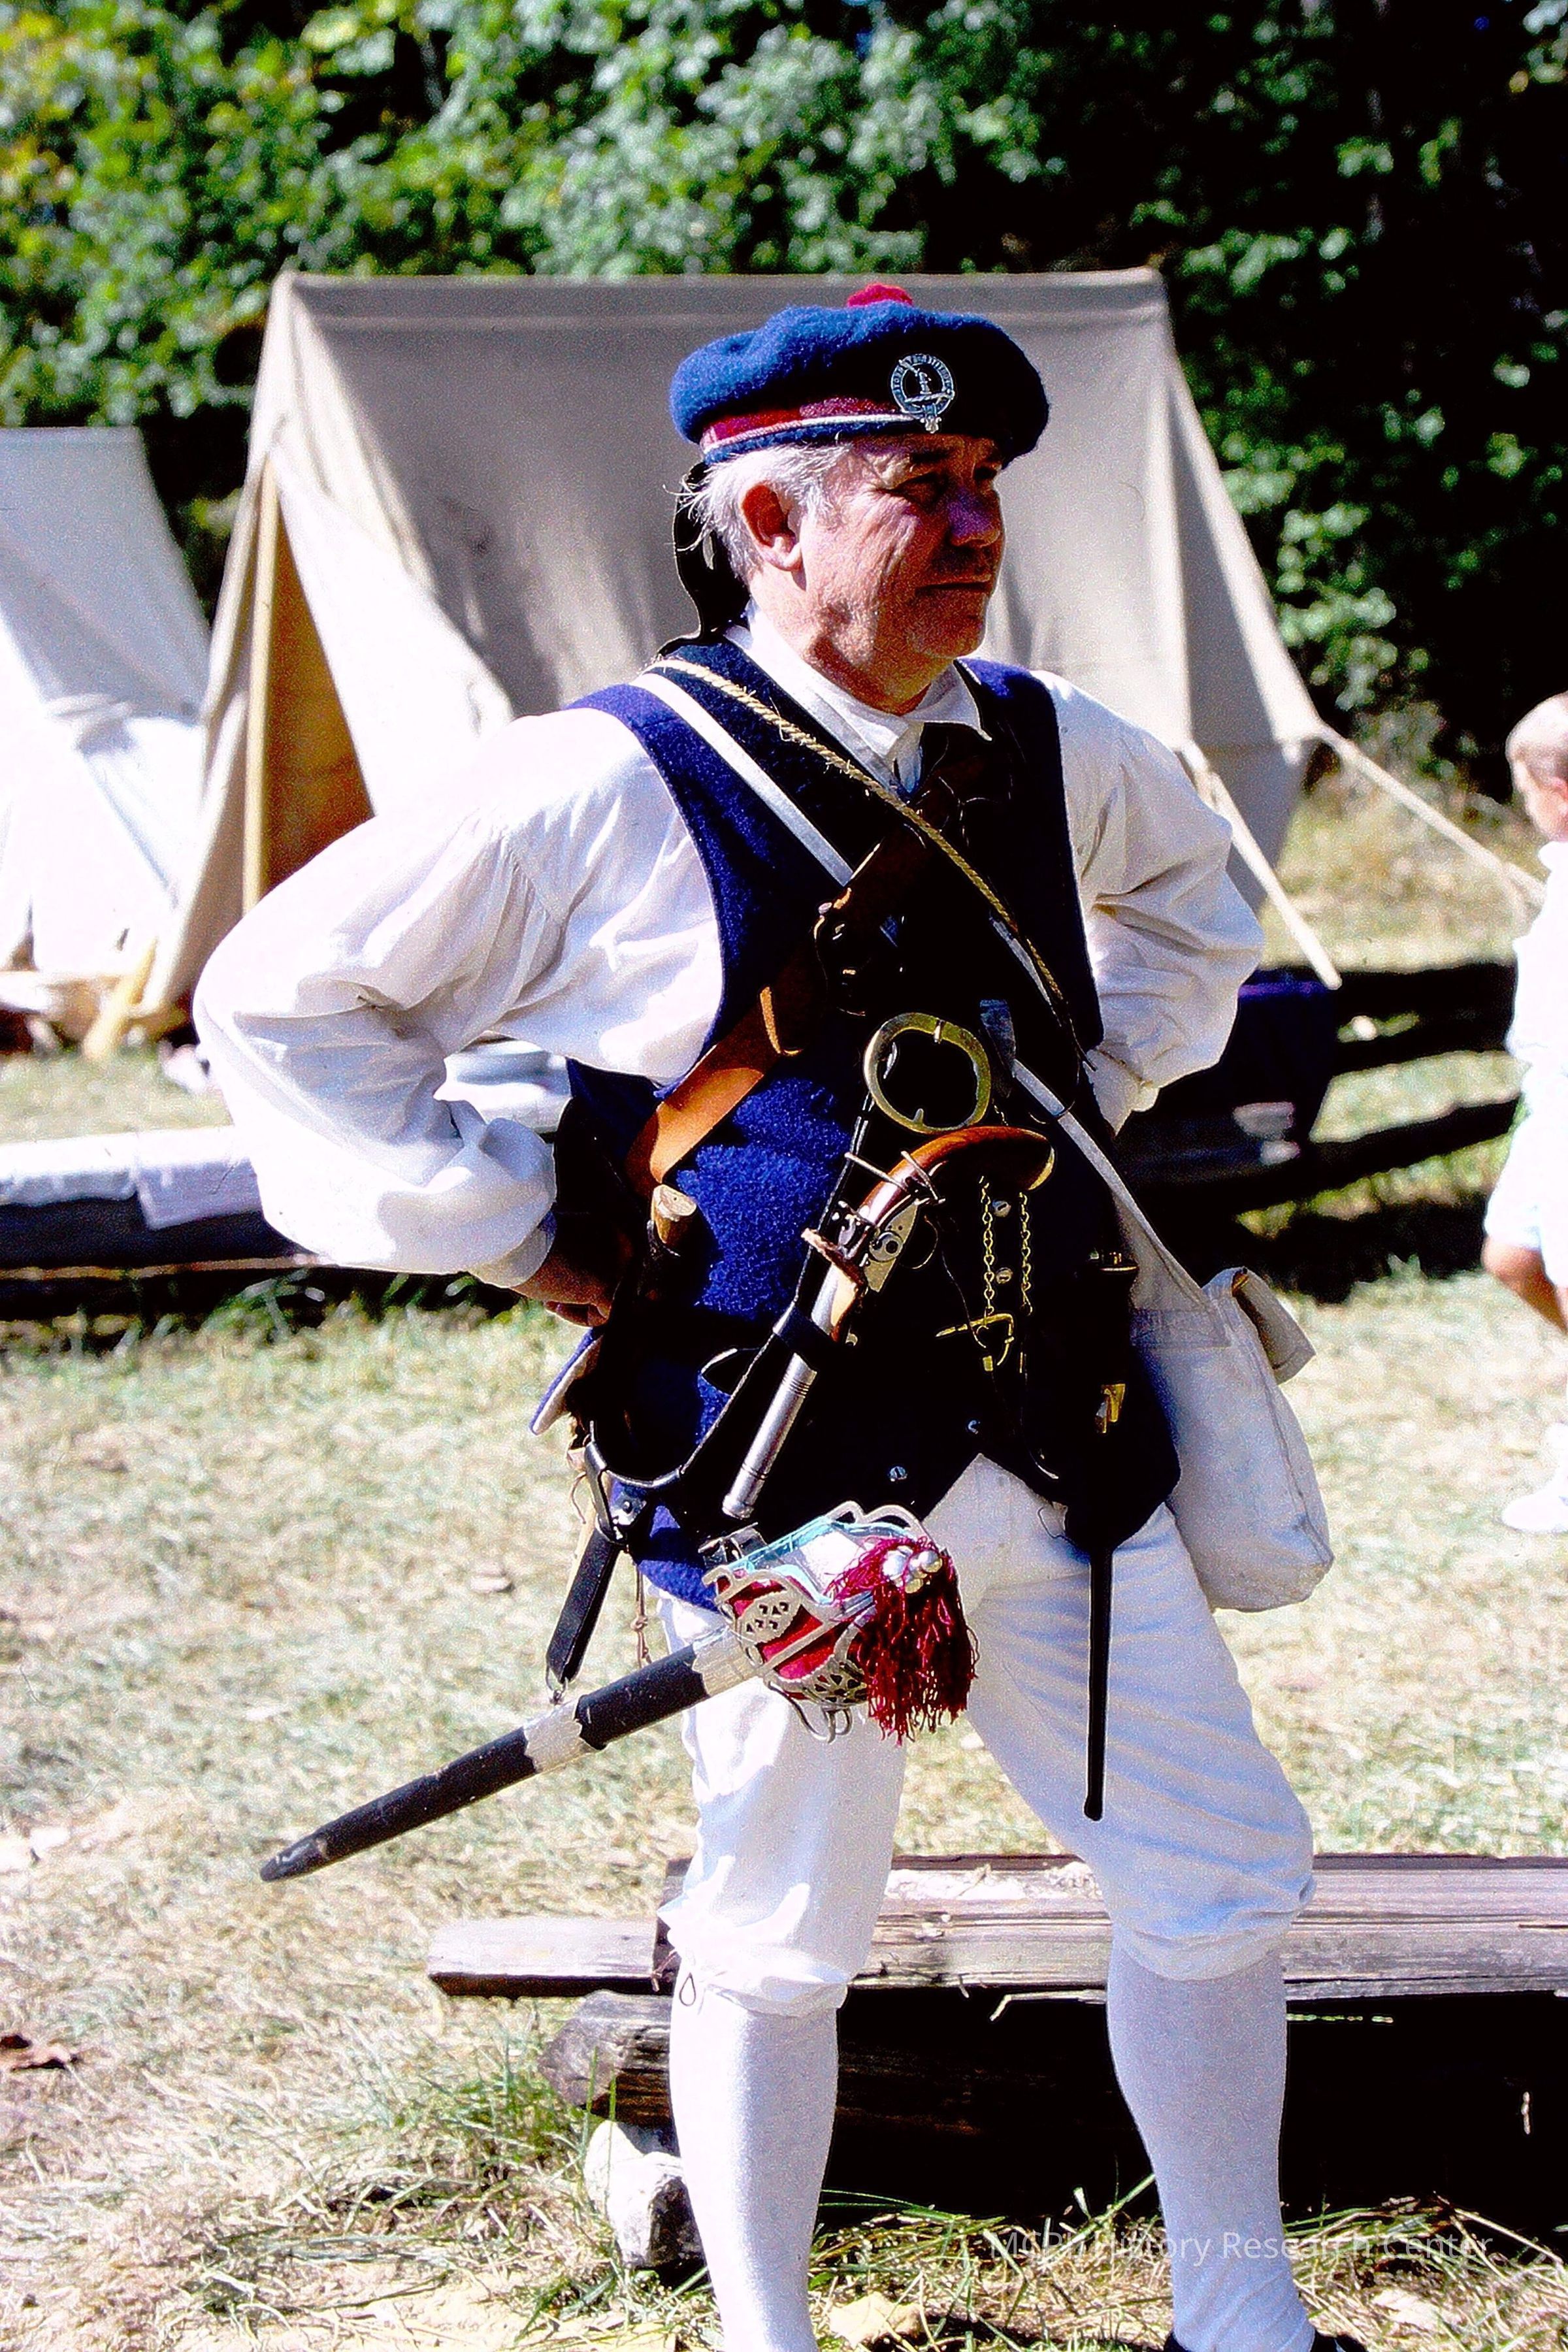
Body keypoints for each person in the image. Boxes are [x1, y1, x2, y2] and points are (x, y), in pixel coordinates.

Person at [197, 285, 1359, 2352]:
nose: (973, 525)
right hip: (779, 1466)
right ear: (767, 520)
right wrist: (512, 1225)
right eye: (918, 485)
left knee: (1218, 1873)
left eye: (985, 481)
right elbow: (284, 1001)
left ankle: (1239, 2315)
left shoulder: (1055, 746)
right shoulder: (600, 776)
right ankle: (766, 2333)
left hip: (1066, 1436)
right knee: (779, 1929)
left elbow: (1196, 917)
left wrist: (1087, 1079)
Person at [1482, 691, 1568, 1533]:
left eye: (1526, 788)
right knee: (1513, 1256)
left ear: (1557, 792)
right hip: (1550, 1111)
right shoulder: (1561, 870)